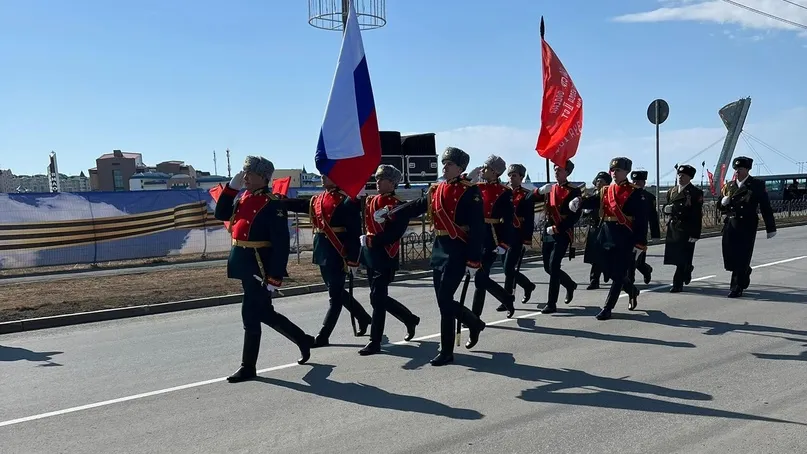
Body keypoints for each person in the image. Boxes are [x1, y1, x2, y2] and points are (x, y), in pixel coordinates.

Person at [213, 156, 315, 383]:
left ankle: (248, 366)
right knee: (264, 313)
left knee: (250, 315)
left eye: (250, 174)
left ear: (264, 178)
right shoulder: (243, 197)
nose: (245, 177)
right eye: (244, 173)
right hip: (244, 262)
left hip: (260, 266)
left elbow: (280, 243)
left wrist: (275, 276)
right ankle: (303, 339)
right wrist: (231, 188)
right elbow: (220, 214)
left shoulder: (273, 203)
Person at [388, 146, 486, 366]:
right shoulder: (436, 190)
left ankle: (447, 350)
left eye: (449, 164)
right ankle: (473, 322)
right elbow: (417, 206)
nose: (444, 166)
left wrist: (474, 259)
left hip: (458, 250)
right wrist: (392, 212)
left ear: (460, 168)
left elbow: (478, 228)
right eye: (444, 163)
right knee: (443, 302)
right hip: (439, 248)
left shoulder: (470, 191)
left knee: (444, 300)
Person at [282, 175, 372, 347]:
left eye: (327, 175)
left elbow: (354, 232)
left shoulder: (346, 201)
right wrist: (281, 202)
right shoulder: (319, 198)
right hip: (323, 251)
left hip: (338, 252)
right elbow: (302, 205)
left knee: (335, 297)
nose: (323, 177)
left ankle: (323, 336)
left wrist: (354, 259)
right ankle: (363, 317)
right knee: (336, 291)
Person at [357, 165, 421, 356]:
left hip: (386, 254)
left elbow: (394, 234)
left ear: (392, 183)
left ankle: (375, 341)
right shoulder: (371, 200)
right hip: (370, 254)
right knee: (376, 297)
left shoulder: (397, 204)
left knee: (377, 299)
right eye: (376, 178)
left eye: (381, 179)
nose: (377, 182)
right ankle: (409, 318)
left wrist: (372, 240)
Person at [573, 157, 648, 320]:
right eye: (612, 170)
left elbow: (641, 220)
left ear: (627, 172)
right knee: (607, 269)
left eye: (618, 170)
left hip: (624, 236)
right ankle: (632, 290)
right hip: (605, 233)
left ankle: (607, 308)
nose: (614, 173)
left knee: (619, 272)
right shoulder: (606, 190)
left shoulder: (634, 192)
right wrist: (578, 201)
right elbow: (592, 201)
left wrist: (640, 243)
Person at [719, 156, 777, 297]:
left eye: (740, 168)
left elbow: (765, 207)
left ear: (747, 169)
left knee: (742, 256)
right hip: (730, 225)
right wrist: (723, 203)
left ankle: (736, 287)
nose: (737, 171)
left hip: (747, 225)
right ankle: (745, 271)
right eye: (736, 169)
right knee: (729, 255)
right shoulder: (729, 186)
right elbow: (719, 207)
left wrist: (771, 228)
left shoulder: (756, 185)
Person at [532, 160, 582, 314]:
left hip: (563, 232)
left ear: (567, 172)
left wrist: (557, 228)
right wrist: (539, 192)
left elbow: (575, 216)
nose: (556, 172)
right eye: (555, 169)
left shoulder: (574, 191)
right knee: (548, 267)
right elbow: (531, 201)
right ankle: (569, 284)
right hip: (548, 231)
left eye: (559, 170)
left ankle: (551, 303)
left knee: (554, 266)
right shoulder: (550, 189)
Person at [471, 155, 516, 318]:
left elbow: (509, 220)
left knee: (481, 277)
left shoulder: (504, 192)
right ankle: (507, 298)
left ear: (495, 172)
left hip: (492, 236)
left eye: (486, 168)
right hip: (474, 235)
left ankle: (474, 316)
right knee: (478, 276)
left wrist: (504, 243)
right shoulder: (475, 187)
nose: (482, 170)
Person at [662, 164, 704, 292]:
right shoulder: (672, 191)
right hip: (674, 227)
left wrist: (696, 234)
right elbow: (666, 207)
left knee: (682, 257)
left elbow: (697, 214)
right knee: (675, 256)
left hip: (687, 228)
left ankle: (677, 284)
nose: (680, 177)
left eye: (683, 175)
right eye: (679, 175)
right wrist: (666, 210)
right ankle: (687, 268)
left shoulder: (695, 192)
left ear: (690, 177)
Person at [500, 164, 537, 306]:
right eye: (509, 175)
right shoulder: (504, 192)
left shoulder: (526, 194)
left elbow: (529, 219)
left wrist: (527, 240)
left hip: (517, 235)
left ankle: (526, 286)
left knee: (508, 268)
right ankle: (508, 299)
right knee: (507, 269)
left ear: (521, 177)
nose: (510, 178)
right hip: (504, 234)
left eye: (514, 175)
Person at [629, 170, 662, 284]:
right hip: (626, 232)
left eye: (638, 181)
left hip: (640, 234)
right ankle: (630, 282)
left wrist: (655, 235)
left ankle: (645, 270)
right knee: (630, 261)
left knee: (637, 261)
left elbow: (653, 217)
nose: (635, 183)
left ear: (644, 182)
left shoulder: (649, 197)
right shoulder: (626, 195)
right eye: (633, 181)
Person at [582, 171, 611, 290]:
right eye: (597, 180)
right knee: (594, 255)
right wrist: (585, 212)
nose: (598, 183)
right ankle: (594, 280)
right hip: (594, 228)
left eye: (602, 181)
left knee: (605, 254)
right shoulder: (593, 194)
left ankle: (607, 272)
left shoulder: (609, 194)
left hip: (605, 228)